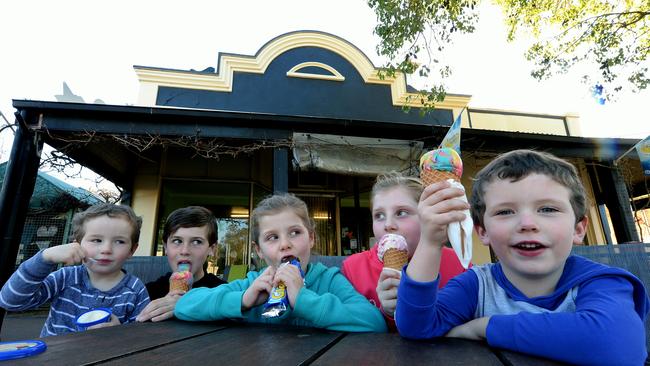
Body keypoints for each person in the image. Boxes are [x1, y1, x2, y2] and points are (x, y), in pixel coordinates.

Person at [395, 149, 650, 365]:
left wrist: (484, 327)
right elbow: (416, 327)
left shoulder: (604, 282)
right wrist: (430, 241)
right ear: (482, 231)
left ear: (578, 229)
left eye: (548, 209)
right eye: (505, 211)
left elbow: (617, 346)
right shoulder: (476, 285)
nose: (527, 223)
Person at [175, 193, 387, 332]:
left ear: (311, 238)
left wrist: (304, 300)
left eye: (295, 232)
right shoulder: (254, 283)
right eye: (272, 237)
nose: (285, 244)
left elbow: (374, 323)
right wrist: (243, 300)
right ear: (259, 250)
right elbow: (185, 305)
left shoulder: (328, 280)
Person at [341, 172, 467, 330]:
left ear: (425, 216)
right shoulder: (353, 268)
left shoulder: (459, 264)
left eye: (401, 213)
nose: (388, 224)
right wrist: (385, 312)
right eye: (379, 215)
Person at [0, 203, 150, 337]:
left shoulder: (135, 289)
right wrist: (44, 258)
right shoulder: (65, 277)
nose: (106, 249)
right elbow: (10, 301)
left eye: (119, 241)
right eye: (96, 240)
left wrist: (120, 332)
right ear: (77, 244)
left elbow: (143, 337)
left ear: (132, 250)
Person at [137, 206, 227, 322]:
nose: (184, 251)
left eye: (196, 242)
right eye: (177, 241)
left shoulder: (223, 293)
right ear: (165, 247)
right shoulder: (146, 293)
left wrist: (187, 306)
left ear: (212, 248)